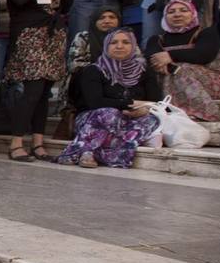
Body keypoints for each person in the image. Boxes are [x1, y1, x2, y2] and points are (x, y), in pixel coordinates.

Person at [3, 0, 75, 162]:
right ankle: (16, 142)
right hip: (29, 36)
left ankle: (38, 141)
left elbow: (63, 7)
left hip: (52, 36)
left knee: (44, 93)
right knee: (32, 90)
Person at [58, 29, 162, 168]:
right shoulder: (94, 70)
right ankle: (86, 152)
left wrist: (144, 109)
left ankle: (105, 153)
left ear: (133, 46)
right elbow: (95, 102)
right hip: (93, 119)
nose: (119, 46)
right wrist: (129, 104)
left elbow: (156, 101)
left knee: (152, 119)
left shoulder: (144, 70)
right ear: (106, 46)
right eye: (114, 42)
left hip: (129, 119)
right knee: (109, 113)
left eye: (126, 42)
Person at [144, 0, 220, 121]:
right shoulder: (157, 39)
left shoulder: (206, 33)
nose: (177, 14)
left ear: (193, 13)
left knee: (182, 69)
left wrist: (170, 56)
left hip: (214, 84)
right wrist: (170, 65)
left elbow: (203, 55)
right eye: (171, 12)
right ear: (165, 16)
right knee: (164, 72)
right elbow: (152, 59)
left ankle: (202, 112)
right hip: (171, 84)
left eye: (183, 10)